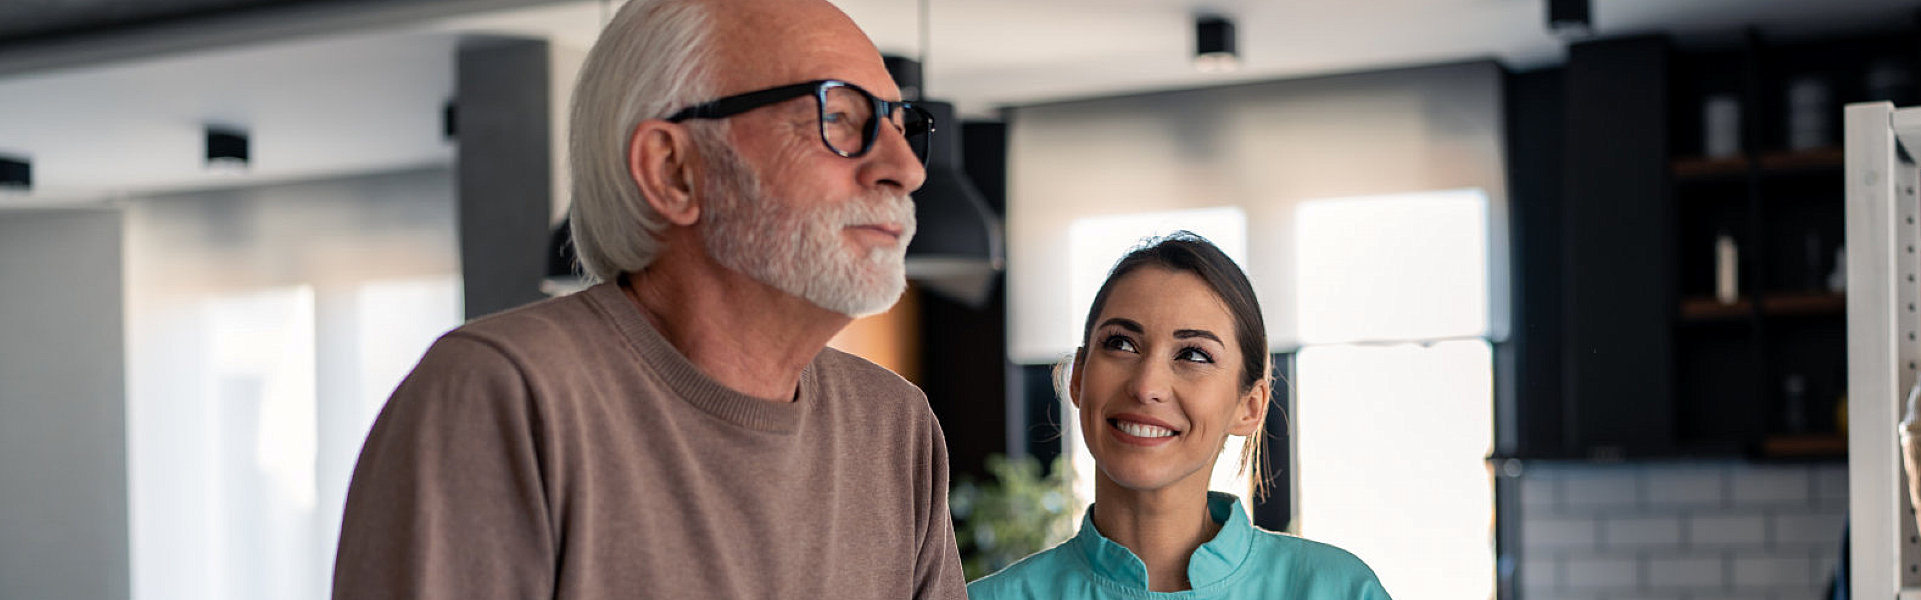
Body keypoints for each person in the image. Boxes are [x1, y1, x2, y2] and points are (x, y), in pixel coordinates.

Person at [330, 0, 966, 598]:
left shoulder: (894, 428)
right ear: (673, 170)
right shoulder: (503, 395)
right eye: (838, 117)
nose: (906, 169)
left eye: (903, 124)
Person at [967, 233, 1391, 599]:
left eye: (1193, 354)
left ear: (1250, 407)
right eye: (1121, 344)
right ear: (1078, 377)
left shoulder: (1338, 590)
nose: (1146, 385)